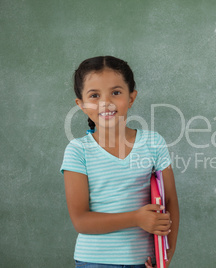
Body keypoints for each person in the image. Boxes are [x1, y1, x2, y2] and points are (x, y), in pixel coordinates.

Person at [60, 56, 179, 268]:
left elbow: (170, 203)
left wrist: (165, 256)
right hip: (94, 261)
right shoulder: (78, 151)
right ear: (81, 104)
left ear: (131, 98)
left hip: (146, 261)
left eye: (116, 92)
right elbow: (81, 220)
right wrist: (136, 218)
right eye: (94, 95)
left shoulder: (153, 143)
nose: (106, 102)